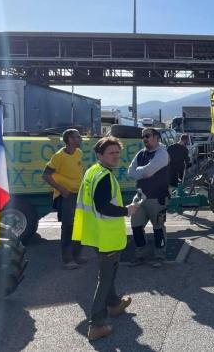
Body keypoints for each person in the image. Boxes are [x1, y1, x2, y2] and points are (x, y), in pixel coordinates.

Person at [72, 136, 138, 341]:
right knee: (105, 278)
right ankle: (96, 324)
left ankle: (114, 304)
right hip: (106, 236)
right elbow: (103, 207)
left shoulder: (93, 171)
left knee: (110, 271)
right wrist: (126, 211)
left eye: (117, 152)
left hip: (96, 234)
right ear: (100, 155)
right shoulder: (104, 177)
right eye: (111, 152)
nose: (116, 156)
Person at [42, 128, 87, 269]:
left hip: (79, 194)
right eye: (77, 137)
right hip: (67, 196)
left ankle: (77, 256)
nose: (80, 139)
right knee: (68, 227)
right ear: (70, 140)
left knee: (79, 225)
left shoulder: (79, 153)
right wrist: (61, 189)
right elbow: (46, 175)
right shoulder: (59, 156)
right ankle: (68, 260)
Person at [127, 127, 170, 267]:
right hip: (139, 196)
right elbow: (130, 172)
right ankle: (140, 256)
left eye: (148, 135)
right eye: (143, 136)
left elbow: (147, 170)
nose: (144, 138)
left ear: (156, 137)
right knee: (136, 227)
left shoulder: (162, 154)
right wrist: (143, 171)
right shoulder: (140, 154)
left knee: (158, 228)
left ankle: (160, 257)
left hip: (157, 197)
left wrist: (141, 170)